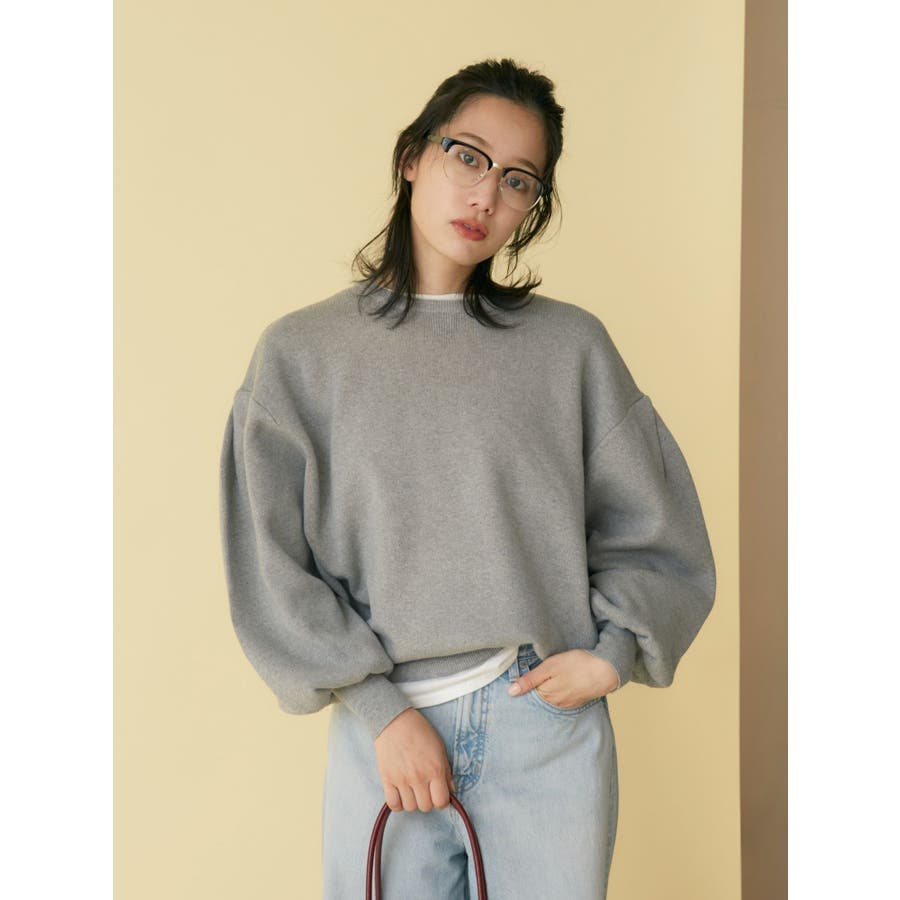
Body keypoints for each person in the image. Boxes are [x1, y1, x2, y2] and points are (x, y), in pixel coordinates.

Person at [219, 57, 716, 899]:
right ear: (412, 156)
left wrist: (614, 653)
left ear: (532, 207)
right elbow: (271, 563)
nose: (486, 194)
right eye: (468, 156)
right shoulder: (301, 356)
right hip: (387, 732)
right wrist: (383, 712)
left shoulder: (570, 349)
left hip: (545, 731)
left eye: (519, 180)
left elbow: (657, 527)